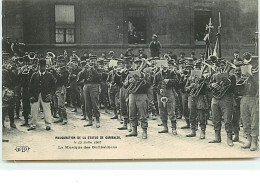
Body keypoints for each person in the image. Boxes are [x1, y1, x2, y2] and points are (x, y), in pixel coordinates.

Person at [208, 59, 236, 146]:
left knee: (227, 119)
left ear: (225, 66)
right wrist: (212, 85)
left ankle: (229, 138)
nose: (220, 67)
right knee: (215, 119)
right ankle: (217, 137)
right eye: (219, 66)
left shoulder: (231, 76)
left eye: (222, 65)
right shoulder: (214, 75)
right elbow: (208, 86)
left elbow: (233, 89)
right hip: (215, 99)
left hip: (226, 99)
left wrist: (227, 83)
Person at [28, 58, 56, 131]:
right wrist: (31, 96)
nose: (42, 67)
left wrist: (51, 94)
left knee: (47, 110)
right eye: (40, 66)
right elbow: (30, 86)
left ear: (46, 66)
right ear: (38, 66)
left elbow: (54, 85)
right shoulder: (34, 75)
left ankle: (48, 124)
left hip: (46, 95)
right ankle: (33, 124)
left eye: (43, 66)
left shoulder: (49, 75)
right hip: (35, 95)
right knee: (34, 110)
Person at [153, 60, 179, 135]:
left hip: (169, 91)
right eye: (161, 66)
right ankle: (165, 127)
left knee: (171, 110)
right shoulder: (157, 74)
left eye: (164, 66)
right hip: (160, 93)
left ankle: (174, 128)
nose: (163, 68)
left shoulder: (172, 73)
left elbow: (177, 81)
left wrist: (169, 81)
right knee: (162, 109)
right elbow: (154, 85)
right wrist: (159, 90)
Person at [77, 55, 102, 128]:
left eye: (94, 60)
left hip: (95, 85)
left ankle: (97, 120)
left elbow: (100, 77)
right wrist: (84, 69)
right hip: (86, 86)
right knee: (87, 103)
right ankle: (90, 120)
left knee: (94, 103)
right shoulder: (86, 68)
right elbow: (80, 77)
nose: (92, 62)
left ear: (96, 61)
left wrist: (94, 70)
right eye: (91, 60)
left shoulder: (98, 68)